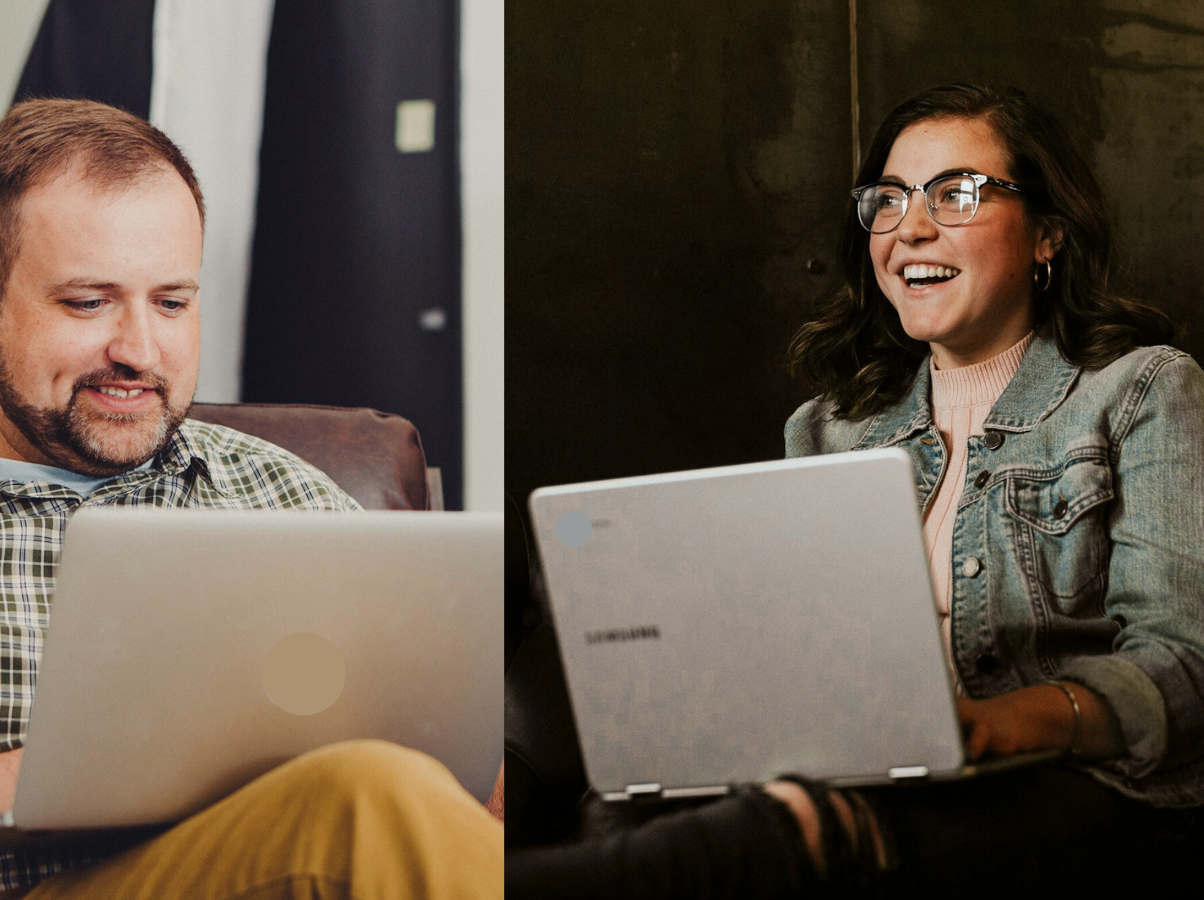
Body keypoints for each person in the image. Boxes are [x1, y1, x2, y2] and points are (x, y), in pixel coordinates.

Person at [507, 83, 1204, 897]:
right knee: (632, 805)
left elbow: (1185, 667)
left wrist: (998, 725)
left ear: (1048, 232)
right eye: (890, 199)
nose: (911, 228)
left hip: (1079, 794)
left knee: (800, 832)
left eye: (956, 193)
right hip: (872, 781)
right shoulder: (828, 430)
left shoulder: (1144, 390)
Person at [0, 99, 502, 900]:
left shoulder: (293, 502)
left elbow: (466, 800)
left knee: (385, 795)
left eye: (171, 303)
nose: (138, 350)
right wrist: (22, 779)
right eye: (87, 302)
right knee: (366, 804)